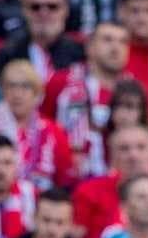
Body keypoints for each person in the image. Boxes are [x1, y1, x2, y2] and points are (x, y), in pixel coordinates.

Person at [42, 21, 130, 181]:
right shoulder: (62, 82)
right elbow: (43, 125)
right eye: (107, 40)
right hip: (66, 179)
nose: (116, 48)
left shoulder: (132, 91)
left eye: (123, 42)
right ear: (89, 47)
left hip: (117, 182)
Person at [0, 60, 75, 193]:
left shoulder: (54, 132)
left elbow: (65, 180)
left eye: (25, 86)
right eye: (11, 86)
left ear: (37, 93)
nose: (17, 94)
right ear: (2, 91)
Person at [0, 0, 85, 82]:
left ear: (66, 10)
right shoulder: (7, 53)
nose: (44, 13)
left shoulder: (81, 53)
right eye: (35, 7)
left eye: (52, 6)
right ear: (24, 10)